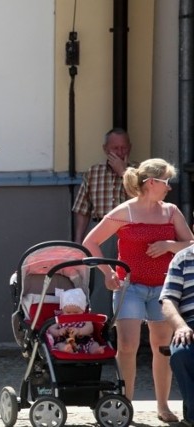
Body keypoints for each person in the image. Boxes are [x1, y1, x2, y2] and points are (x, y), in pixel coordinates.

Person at [82, 158, 194, 423]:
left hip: (164, 289)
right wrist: (108, 274)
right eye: (166, 182)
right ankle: (126, 404)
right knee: (128, 345)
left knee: (162, 346)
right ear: (152, 182)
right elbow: (91, 242)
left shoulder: (170, 211)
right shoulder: (126, 211)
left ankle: (163, 406)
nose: (169, 188)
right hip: (128, 287)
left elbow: (190, 243)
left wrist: (169, 245)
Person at [72, 128, 133, 316]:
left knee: (129, 280)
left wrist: (124, 173)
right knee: (101, 281)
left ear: (129, 148)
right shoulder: (94, 172)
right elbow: (83, 209)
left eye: (124, 148)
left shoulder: (137, 172)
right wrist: (78, 240)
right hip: (101, 233)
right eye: (115, 148)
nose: (120, 152)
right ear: (105, 149)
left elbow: (144, 200)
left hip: (130, 233)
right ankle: (102, 326)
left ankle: (126, 325)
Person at [160, 245, 194, 426]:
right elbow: (168, 300)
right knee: (182, 354)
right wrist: (180, 326)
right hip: (190, 325)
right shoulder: (183, 258)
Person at [46, 289, 105, 355]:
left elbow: (90, 328)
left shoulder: (85, 317)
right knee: (60, 345)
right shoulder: (60, 318)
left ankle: (95, 350)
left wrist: (79, 331)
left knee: (94, 344)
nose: (72, 314)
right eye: (68, 312)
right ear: (62, 310)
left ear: (83, 310)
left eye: (76, 312)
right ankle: (67, 349)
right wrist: (58, 332)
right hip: (65, 341)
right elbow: (50, 329)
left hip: (84, 342)